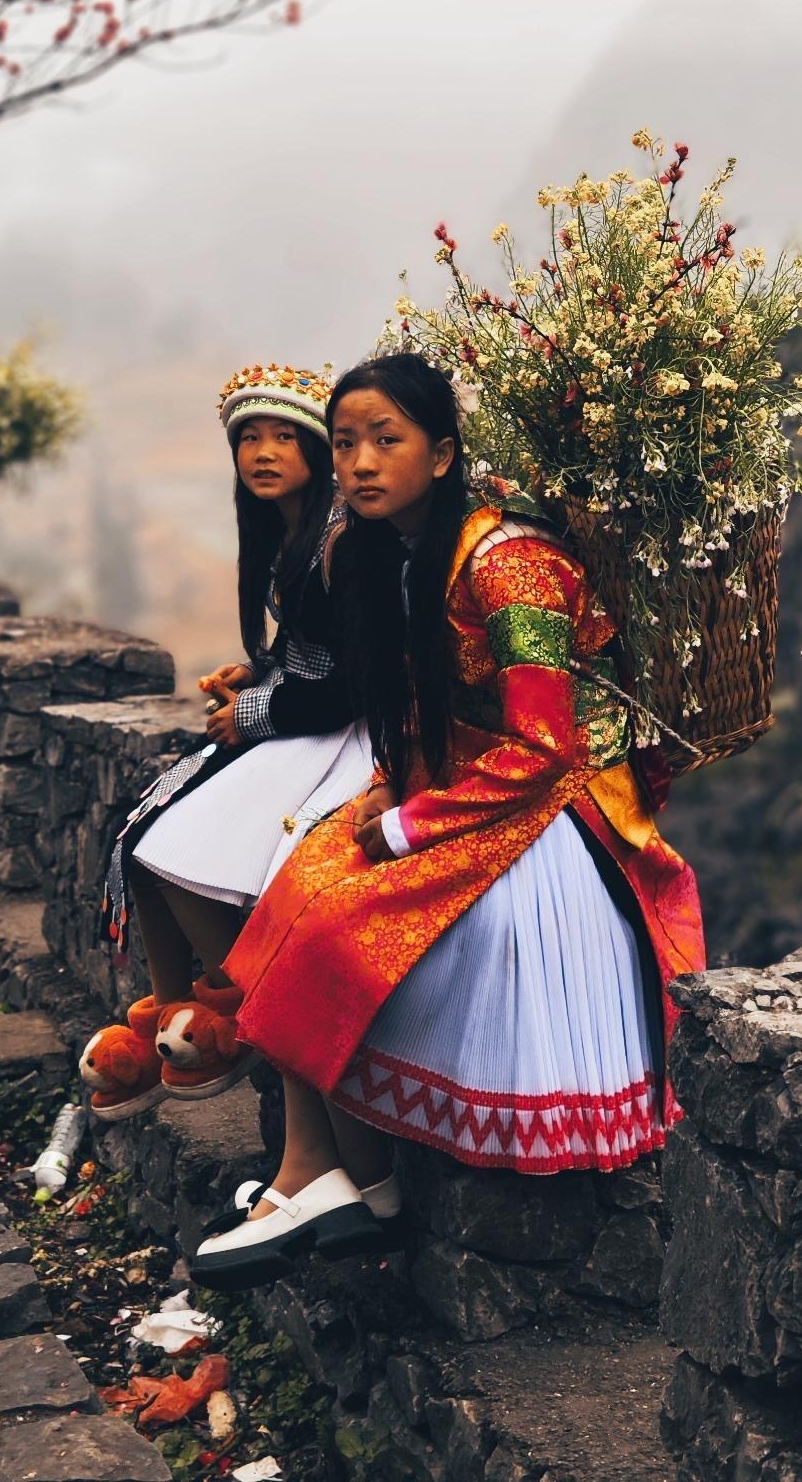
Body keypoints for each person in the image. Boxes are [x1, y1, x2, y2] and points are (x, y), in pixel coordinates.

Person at [190, 353, 704, 1289]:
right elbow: (418, 704)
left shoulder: (513, 566)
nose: (359, 463)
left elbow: (544, 747)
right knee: (303, 872)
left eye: (387, 440)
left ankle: (329, 1176)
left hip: (562, 812)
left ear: (441, 454)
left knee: (341, 918)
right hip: (464, 783)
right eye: (345, 443)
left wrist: (410, 824)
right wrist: (390, 784)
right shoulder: (386, 555)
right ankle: (344, 1178)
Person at [81, 363, 373, 1121]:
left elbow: (355, 679)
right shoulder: (294, 532)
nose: (263, 452)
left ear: (320, 448)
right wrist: (259, 669)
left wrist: (253, 714)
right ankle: (173, 1009)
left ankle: (240, 1012)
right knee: (142, 836)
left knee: (181, 853)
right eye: (248, 438)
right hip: (306, 716)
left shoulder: (347, 540)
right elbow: (311, 648)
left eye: (284, 436)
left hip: (344, 736)